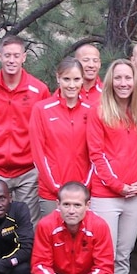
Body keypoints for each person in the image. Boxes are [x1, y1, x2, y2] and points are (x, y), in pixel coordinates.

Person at [86, 58, 137, 274]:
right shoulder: (98, 111)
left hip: (135, 194)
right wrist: (118, 185)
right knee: (106, 256)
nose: (124, 83)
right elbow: (96, 155)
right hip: (106, 195)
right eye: (118, 78)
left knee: (124, 255)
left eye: (128, 78)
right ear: (110, 81)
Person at [0, 35, 49, 216]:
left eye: (16, 55)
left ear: (24, 57)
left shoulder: (39, 90)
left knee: (29, 223)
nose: (12, 60)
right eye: (7, 55)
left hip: (28, 170)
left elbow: (45, 130)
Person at [29, 56, 92, 208]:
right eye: (66, 79)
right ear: (58, 78)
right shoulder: (41, 110)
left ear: (83, 79)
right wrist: (56, 187)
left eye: (76, 79)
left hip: (84, 192)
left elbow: (96, 153)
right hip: (52, 193)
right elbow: (38, 154)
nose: (72, 85)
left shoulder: (92, 110)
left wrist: (85, 186)